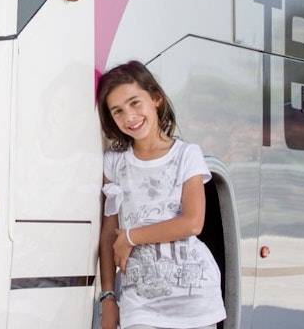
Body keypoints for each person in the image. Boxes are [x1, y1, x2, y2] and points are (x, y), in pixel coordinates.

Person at [96, 60, 225, 329]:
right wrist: (108, 297)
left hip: (194, 299)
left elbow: (192, 223)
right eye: (117, 111)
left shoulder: (187, 155)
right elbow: (109, 234)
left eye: (135, 103)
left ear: (155, 98)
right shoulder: (115, 163)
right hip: (139, 302)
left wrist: (132, 236)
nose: (129, 117)